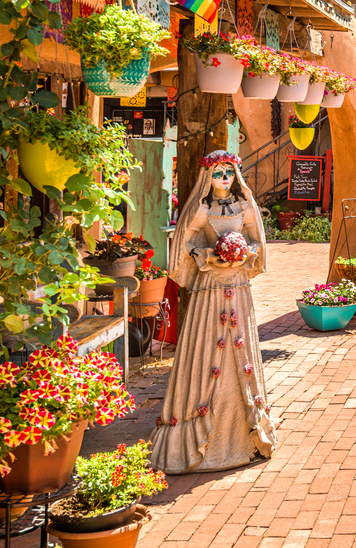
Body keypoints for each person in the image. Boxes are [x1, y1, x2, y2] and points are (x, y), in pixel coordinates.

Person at [150, 151, 278, 474]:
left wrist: (243, 254)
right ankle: (200, 442)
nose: (224, 179)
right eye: (218, 173)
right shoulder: (202, 209)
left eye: (229, 173)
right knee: (205, 350)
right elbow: (186, 243)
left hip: (238, 286)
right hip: (209, 291)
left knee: (240, 352)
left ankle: (243, 438)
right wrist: (208, 255)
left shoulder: (244, 206)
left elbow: (256, 243)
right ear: (208, 177)